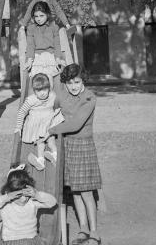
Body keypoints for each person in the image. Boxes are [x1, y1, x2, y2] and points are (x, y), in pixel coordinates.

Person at [48, 63, 102, 245]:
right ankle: (83, 229)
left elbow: (75, 125)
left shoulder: (89, 97)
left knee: (86, 192)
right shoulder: (63, 94)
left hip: (83, 146)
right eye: (70, 82)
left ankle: (94, 232)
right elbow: (51, 104)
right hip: (66, 145)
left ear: (83, 80)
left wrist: (50, 129)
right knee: (75, 192)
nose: (73, 86)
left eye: (77, 82)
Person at [0, 164, 57, 244]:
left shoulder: (32, 202)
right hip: (10, 241)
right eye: (18, 196)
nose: (24, 199)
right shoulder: (5, 205)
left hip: (31, 241)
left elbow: (52, 202)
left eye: (26, 195)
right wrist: (5, 198)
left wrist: (37, 194)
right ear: (9, 193)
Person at [15, 73, 64, 171]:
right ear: (34, 90)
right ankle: (41, 160)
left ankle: (55, 154)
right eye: (39, 90)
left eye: (45, 89)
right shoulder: (31, 100)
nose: (42, 93)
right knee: (40, 142)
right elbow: (22, 112)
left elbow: (60, 105)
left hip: (48, 122)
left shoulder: (52, 95)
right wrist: (18, 127)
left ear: (49, 88)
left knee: (51, 139)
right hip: (36, 124)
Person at [24, 1, 65, 86]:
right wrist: (29, 59)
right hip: (37, 57)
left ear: (47, 14)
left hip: (50, 56)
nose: (39, 19)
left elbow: (57, 44)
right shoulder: (31, 28)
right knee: (37, 79)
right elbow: (30, 45)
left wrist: (57, 58)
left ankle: (49, 97)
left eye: (41, 16)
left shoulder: (54, 27)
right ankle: (39, 97)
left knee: (49, 79)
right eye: (36, 16)